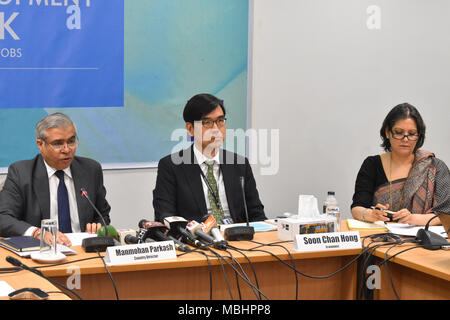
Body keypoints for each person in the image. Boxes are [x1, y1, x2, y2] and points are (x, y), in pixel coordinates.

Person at [0, 113, 111, 246]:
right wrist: (36, 232)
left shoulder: (91, 170)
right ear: (40, 145)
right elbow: (3, 218)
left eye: (71, 141)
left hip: (82, 250)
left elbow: (102, 215)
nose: (67, 149)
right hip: (42, 251)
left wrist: (97, 225)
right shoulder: (21, 173)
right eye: (58, 144)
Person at [153, 93, 266, 224]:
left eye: (220, 121)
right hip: (198, 241)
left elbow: (257, 215)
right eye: (207, 123)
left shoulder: (240, 164)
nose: (216, 129)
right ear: (190, 129)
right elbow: (166, 216)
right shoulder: (171, 166)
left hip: (239, 239)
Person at [351, 103, 450, 226]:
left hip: (424, 240)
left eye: (412, 134)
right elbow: (357, 208)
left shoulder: (435, 167)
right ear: (387, 132)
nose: (405, 139)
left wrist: (413, 219)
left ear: (419, 136)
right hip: (381, 239)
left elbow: (447, 215)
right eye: (399, 132)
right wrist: (370, 214)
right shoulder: (372, 164)